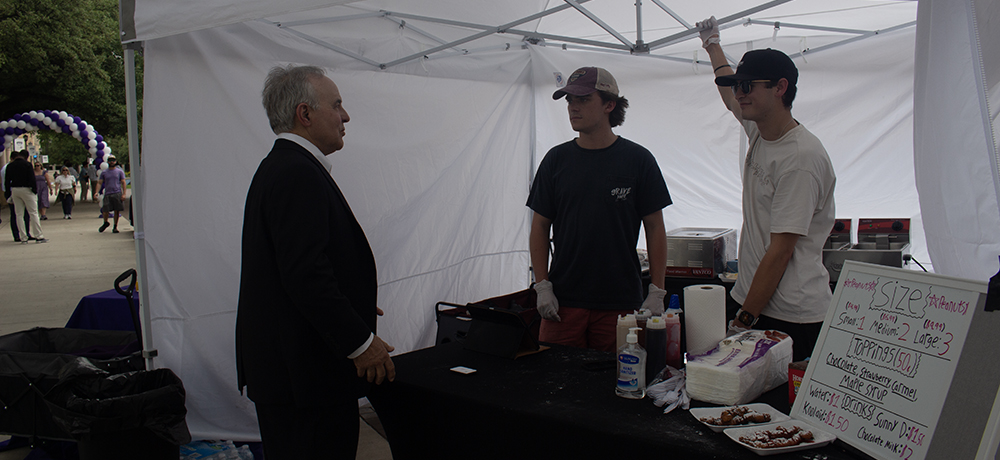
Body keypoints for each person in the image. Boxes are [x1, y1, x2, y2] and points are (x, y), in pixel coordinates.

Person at [236, 64, 395, 458]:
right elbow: (306, 275)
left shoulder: (285, 167)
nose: (345, 116)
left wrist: (353, 299)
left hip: (298, 375)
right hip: (305, 380)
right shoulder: (295, 172)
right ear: (304, 114)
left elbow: (293, 268)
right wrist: (361, 344)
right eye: (336, 105)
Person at [697, 17, 836, 361]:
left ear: (780, 88)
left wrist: (744, 320)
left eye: (747, 86)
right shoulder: (760, 129)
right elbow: (727, 97)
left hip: (791, 315)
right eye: (737, 86)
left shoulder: (800, 158)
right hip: (753, 299)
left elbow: (781, 252)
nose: (739, 94)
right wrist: (712, 45)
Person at [526, 66, 672, 352]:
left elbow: (655, 227)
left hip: (620, 303)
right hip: (563, 301)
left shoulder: (638, 160)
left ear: (609, 105)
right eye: (570, 100)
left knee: (618, 376)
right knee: (552, 376)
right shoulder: (556, 160)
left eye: (583, 99)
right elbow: (540, 226)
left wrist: (657, 290)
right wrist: (542, 285)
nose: (573, 107)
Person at [3, 151, 47, 243]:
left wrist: (8, 194)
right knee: (33, 212)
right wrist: (34, 190)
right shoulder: (27, 165)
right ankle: (38, 235)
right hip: (27, 189)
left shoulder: (10, 166)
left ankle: (23, 237)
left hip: (15, 190)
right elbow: (32, 178)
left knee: (19, 214)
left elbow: (7, 181)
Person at [96, 156, 126, 233]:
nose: (111, 162)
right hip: (108, 193)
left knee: (117, 210)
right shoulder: (104, 172)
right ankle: (105, 222)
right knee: (105, 210)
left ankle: (115, 226)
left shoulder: (119, 172)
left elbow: (123, 182)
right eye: (110, 160)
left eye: (113, 160)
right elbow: (99, 182)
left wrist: (124, 194)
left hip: (117, 192)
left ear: (115, 161)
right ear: (108, 162)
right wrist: (96, 192)